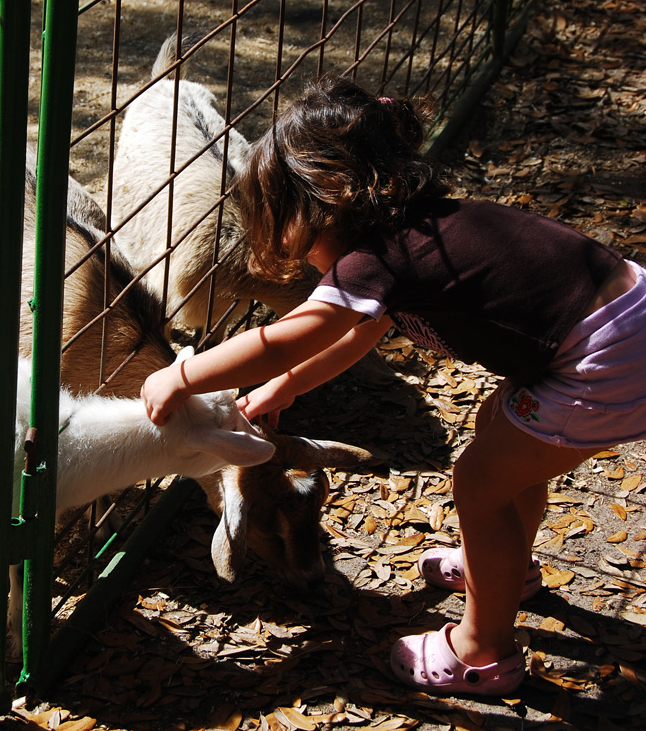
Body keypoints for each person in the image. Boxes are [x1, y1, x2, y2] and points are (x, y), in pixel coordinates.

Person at [140, 76, 646, 696]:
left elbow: (291, 336)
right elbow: (356, 337)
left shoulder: (371, 260)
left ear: (321, 202)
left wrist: (183, 373)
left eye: (286, 225)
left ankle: (481, 652)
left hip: (604, 361)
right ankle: (503, 571)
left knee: (479, 484)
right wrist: (284, 390)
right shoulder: (418, 231)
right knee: (500, 440)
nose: (292, 253)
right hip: (621, 322)